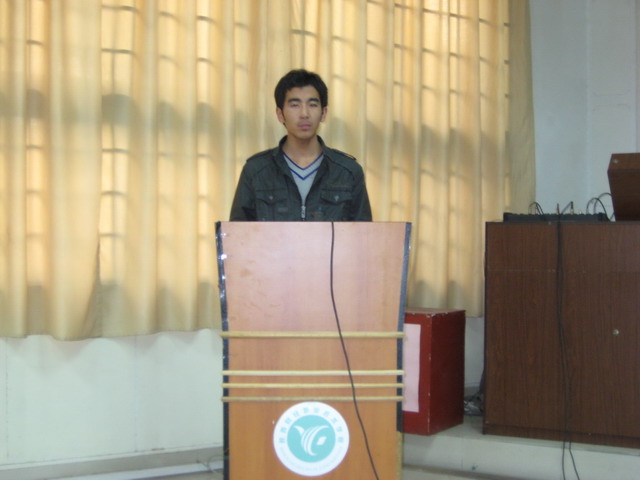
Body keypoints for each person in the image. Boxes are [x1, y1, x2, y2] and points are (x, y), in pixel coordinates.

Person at [229, 69, 372, 221]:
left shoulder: (348, 172)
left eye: (312, 104)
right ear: (280, 114)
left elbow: (364, 233)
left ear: (323, 113)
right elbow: (238, 232)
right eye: (295, 105)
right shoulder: (256, 171)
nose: (304, 114)